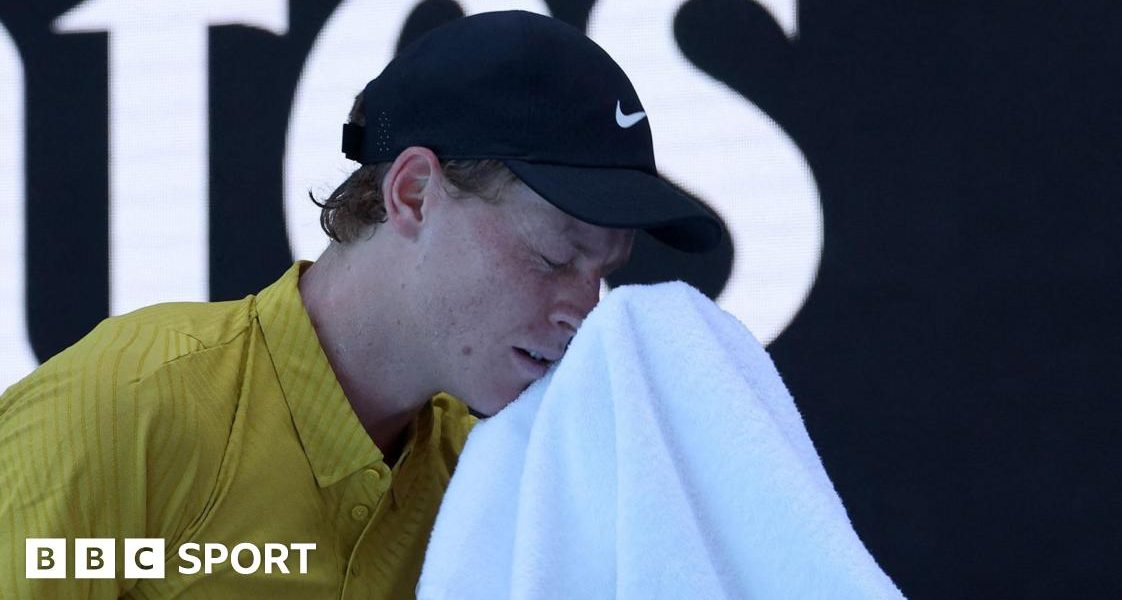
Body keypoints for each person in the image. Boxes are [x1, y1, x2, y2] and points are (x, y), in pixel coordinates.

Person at [0, 10, 720, 599]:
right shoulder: (125, 408)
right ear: (414, 193)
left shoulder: (499, 480)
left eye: (603, 274)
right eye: (554, 258)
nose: (584, 312)